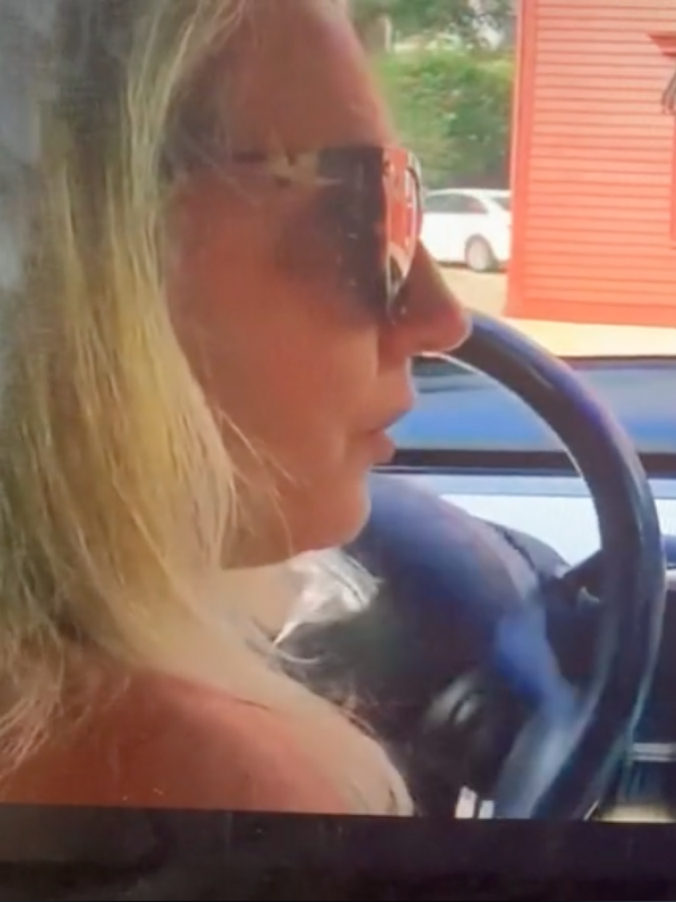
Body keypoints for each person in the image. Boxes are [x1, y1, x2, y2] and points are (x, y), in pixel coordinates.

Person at [0, 0, 470, 815]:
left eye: (401, 203)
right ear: (88, 255)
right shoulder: (177, 779)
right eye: (360, 212)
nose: (440, 316)